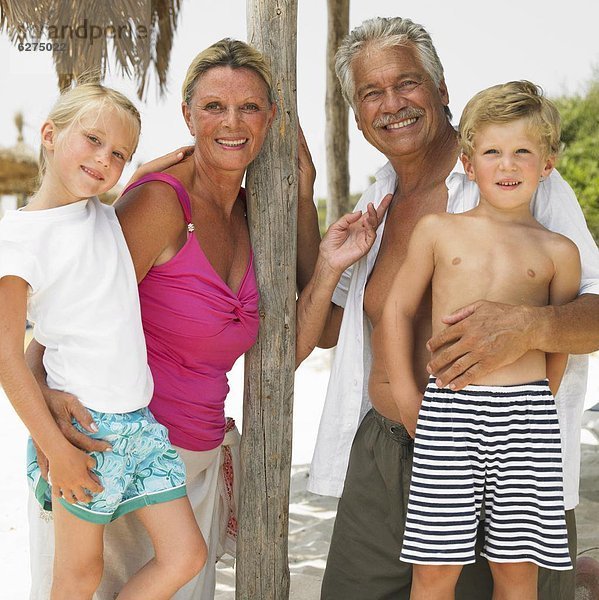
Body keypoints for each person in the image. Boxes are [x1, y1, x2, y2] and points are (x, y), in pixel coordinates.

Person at [25, 38, 388, 600]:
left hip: (188, 466)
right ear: (188, 115)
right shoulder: (158, 203)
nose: (232, 122)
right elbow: (65, 309)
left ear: (272, 118)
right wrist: (44, 408)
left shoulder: (257, 215)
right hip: (109, 456)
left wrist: (306, 197)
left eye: (249, 107)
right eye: (214, 107)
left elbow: (299, 344)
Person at [293, 16, 599, 600]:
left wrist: (531, 327)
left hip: (507, 444)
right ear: (357, 114)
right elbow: (333, 330)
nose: (392, 104)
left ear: (441, 91)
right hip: (385, 451)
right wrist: (313, 222)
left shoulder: (513, 173)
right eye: (371, 93)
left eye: (406, 83)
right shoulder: (378, 198)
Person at [0, 83, 206, 599]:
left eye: (118, 153)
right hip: (83, 432)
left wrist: (146, 172)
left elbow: (103, 206)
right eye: (92, 139)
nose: (103, 159)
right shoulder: (19, 239)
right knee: (78, 575)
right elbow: (6, 355)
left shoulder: (102, 216)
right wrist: (54, 447)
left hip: (141, 425)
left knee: (187, 556)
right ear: (49, 135)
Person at [379, 80, 580, 600]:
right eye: (492, 152)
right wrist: (406, 392)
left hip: (528, 420)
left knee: (517, 570)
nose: (507, 165)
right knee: (434, 568)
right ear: (469, 164)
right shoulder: (439, 231)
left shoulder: (559, 251)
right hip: (449, 411)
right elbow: (396, 310)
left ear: (547, 164)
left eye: (522, 152)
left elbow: (558, 336)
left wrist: (541, 397)